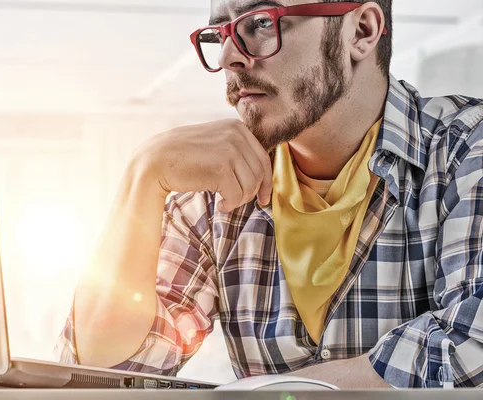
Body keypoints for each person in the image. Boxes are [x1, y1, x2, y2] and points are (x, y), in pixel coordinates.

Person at [55, 0, 483, 389]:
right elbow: (104, 377)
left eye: (260, 22)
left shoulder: (465, 150)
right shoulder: (212, 199)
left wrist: (264, 394)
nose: (228, 57)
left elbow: (470, 349)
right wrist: (141, 177)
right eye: (219, 35)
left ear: (362, 31)